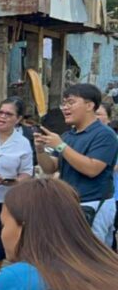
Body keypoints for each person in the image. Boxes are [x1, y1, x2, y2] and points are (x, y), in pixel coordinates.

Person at [36, 83, 118, 245]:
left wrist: (61, 146)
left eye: (71, 102)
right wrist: (40, 150)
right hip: (68, 203)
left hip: (93, 204)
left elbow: (92, 169)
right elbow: (50, 167)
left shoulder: (104, 134)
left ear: (89, 106)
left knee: (90, 255)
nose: (65, 108)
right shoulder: (68, 135)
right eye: (64, 103)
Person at [0, 98, 34, 276]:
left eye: (9, 114)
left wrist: (14, 181)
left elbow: (27, 172)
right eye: (0, 112)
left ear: (19, 119)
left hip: (4, 201)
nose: (3, 117)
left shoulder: (22, 143)